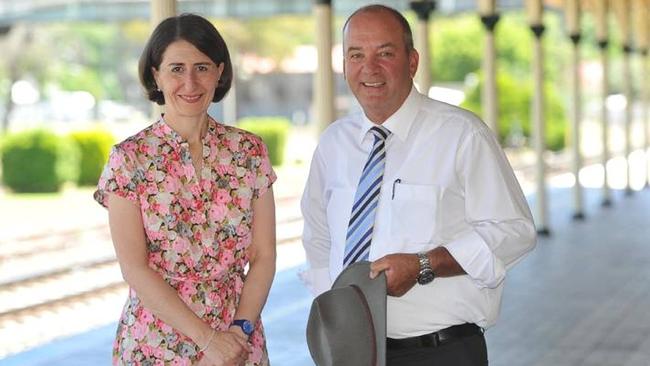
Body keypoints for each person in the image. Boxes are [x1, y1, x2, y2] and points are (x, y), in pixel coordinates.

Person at [301, 5, 536, 366]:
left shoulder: (461, 134)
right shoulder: (333, 143)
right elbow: (318, 237)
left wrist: (425, 264)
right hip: (354, 353)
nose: (370, 68)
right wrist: (334, 317)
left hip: (441, 352)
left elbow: (515, 231)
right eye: (356, 55)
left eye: (385, 53)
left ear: (412, 62)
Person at [94, 13, 276, 366]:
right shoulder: (128, 159)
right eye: (176, 68)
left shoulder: (250, 152)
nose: (190, 82)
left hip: (238, 339)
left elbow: (264, 256)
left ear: (220, 72)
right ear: (155, 75)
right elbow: (134, 268)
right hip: (155, 343)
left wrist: (237, 334)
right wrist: (209, 340)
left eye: (202, 67)